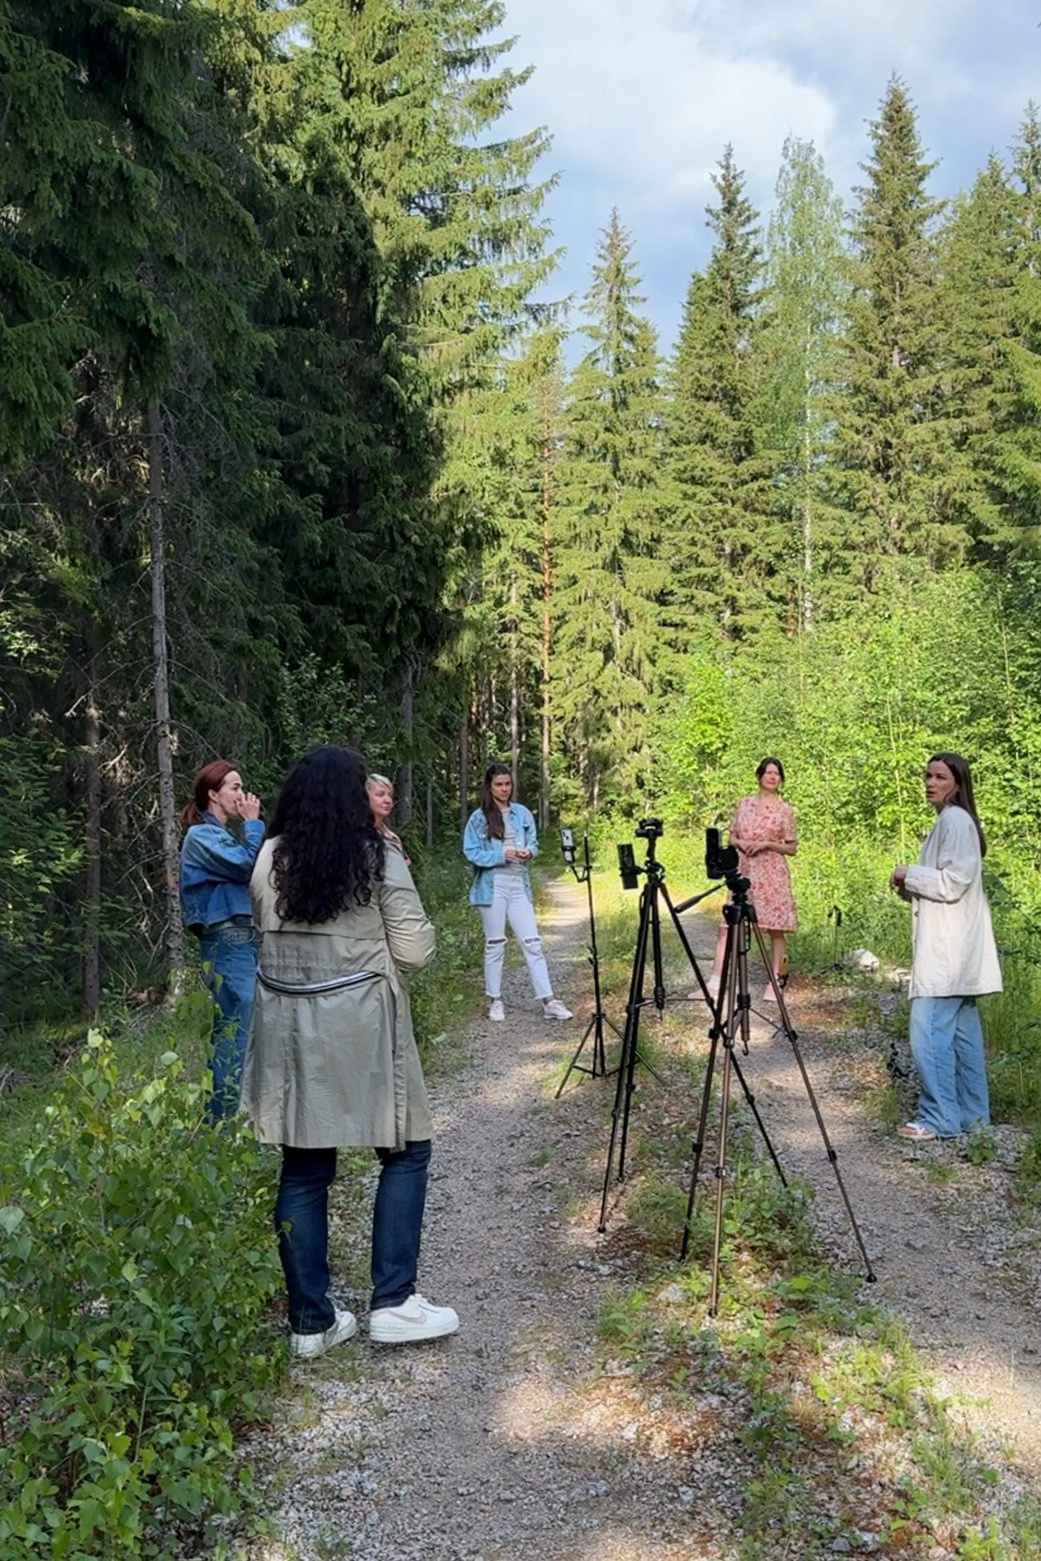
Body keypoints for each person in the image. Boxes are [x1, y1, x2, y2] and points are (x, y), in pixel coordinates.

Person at [240, 745, 458, 1357]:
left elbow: (263, 932)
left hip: (288, 1028)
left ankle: (311, 1322)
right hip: (363, 1025)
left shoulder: (269, 855)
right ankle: (393, 1301)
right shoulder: (376, 856)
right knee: (407, 1149)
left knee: (305, 1166)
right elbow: (414, 951)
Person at [889, 752, 1001, 1142]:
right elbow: (947, 885)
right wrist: (908, 885)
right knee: (963, 1037)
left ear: (958, 783)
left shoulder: (955, 820)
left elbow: (953, 882)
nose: (930, 783)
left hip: (949, 955)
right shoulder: (952, 821)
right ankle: (972, 1116)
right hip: (956, 950)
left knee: (928, 1030)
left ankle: (938, 1117)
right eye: (928, 776)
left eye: (940, 777)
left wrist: (909, 873)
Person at [179, 760, 265, 1122]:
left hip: (242, 939)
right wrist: (253, 824)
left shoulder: (220, 836)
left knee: (242, 1028)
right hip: (228, 941)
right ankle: (220, 1126)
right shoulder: (201, 836)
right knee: (235, 1031)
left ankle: (233, 1123)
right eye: (234, 787)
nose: (242, 795)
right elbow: (246, 866)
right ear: (213, 795)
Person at [463, 763, 572, 1024]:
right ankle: (495, 1001)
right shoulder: (478, 818)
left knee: (532, 942)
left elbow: (533, 843)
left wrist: (528, 852)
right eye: (499, 784)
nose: (504, 789)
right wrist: (501, 854)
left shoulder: (522, 813)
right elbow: (471, 852)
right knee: (495, 943)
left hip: (518, 884)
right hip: (492, 887)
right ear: (489, 787)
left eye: (507, 784)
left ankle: (549, 1001)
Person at [707, 757, 798, 1004]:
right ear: (759, 776)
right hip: (744, 870)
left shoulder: (784, 810)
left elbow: (792, 848)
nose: (773, 777)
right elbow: (732, 838)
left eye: (777, 773)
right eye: (768, 772)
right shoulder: (744, 804)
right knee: (729, 926)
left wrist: (766, 844)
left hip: (772, 873)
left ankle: (776, 981)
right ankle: (715, 983)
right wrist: (742, 843)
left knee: (776, 929)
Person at [368, 772, 410, 864]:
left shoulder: (392, 837)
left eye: (389, 795)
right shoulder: (357, 833)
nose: (388, 800)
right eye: (380, 794)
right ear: (366, 798)